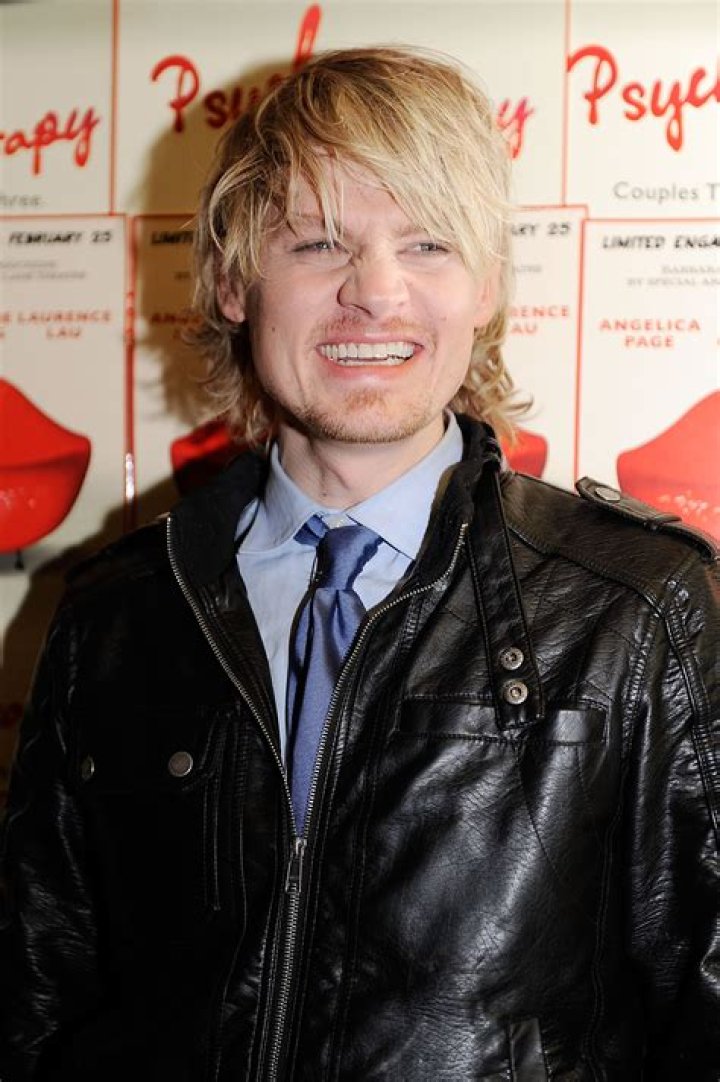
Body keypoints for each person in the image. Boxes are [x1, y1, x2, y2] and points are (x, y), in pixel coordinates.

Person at [1, 46, 718, 1082]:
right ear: (233, 283)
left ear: (485, 289)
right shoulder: (114, 615)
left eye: (428, 243)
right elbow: (36, 997)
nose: (376, 293)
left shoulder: (634, 607)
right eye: (319, 242)